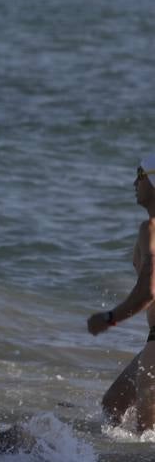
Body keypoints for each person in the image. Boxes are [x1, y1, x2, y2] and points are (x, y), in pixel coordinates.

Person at [87, 153, 155, 431]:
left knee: (146, 438)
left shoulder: (150, 228)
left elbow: (148, 290)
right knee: (113, 405)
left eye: (140, 174)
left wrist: (109, 318)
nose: (134, 182)